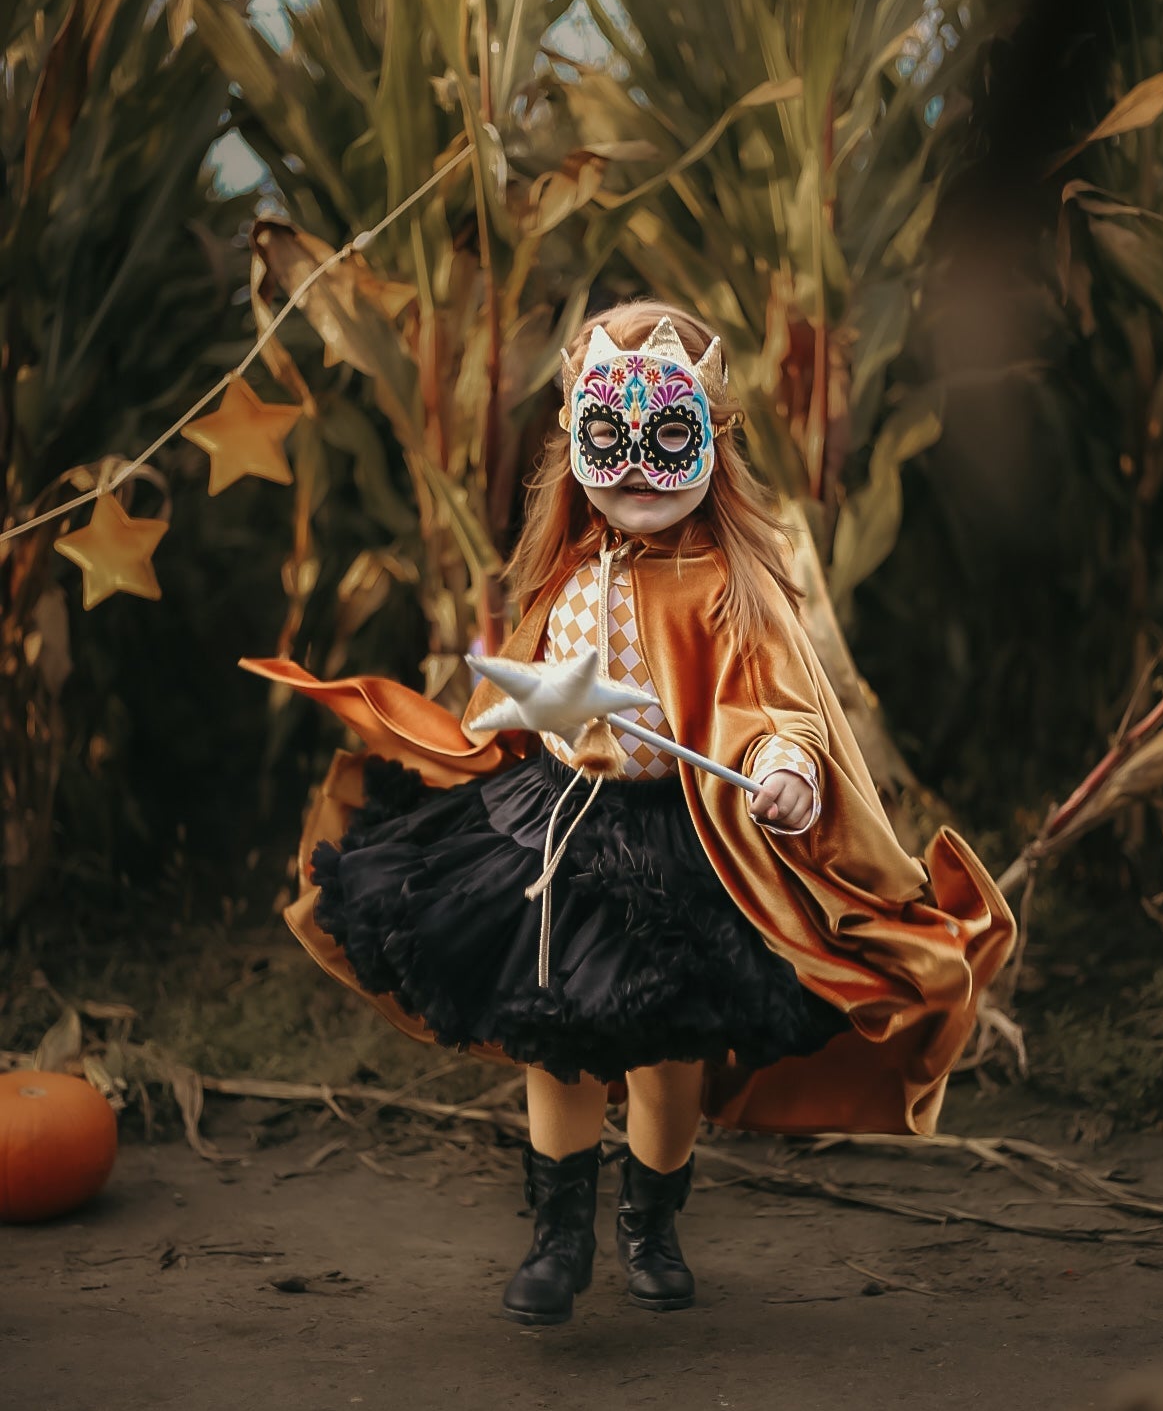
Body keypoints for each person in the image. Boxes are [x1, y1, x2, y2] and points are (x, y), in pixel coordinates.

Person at [242, 302, 1014, 1327]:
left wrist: (783, 765)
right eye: (609, 440)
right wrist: (504, 717)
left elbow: (784, 704)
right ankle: (556, 1234)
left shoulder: (730, 585)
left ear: (709, 437)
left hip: (677, 842)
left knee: (663, 1049)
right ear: (574, 441)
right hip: (549, 826)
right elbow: (535, 683)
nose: (637, 472)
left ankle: (650, 1221)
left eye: (668, 440)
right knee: (551, 1031)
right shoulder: (568, 563)